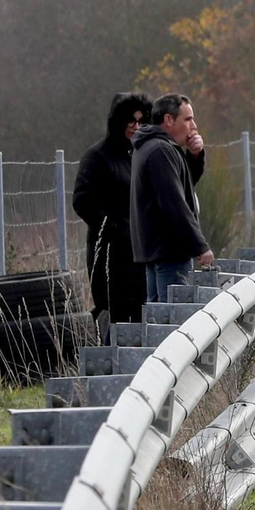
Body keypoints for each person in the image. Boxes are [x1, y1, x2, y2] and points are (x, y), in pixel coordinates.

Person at [73, 92, 154, 338]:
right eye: (130, 120)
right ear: (117, 121)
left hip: (140, 255)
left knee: (141, 314)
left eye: (141, 121)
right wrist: (114, 230)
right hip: (110, 256)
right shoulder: (97, 156)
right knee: (113, 315)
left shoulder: (139, 156)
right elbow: (82, 200)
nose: (135, 126)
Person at [130, 93, 212, 303]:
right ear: (168, 120)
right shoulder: (160, 150)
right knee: (172, 319)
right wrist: (199, 246)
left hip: (158, 250)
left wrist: (195, 156)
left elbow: (184, 184)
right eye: (187, 119)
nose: (193, 126)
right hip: (170, 252)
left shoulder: (155, 146)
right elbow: (174, 203)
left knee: (159, 317)